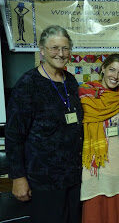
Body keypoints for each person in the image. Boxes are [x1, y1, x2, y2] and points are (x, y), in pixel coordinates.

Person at [5, 25, 83, 223]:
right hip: (44, 180)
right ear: (42, 50)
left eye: (65, 48)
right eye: (54, 48)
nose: (61, 53)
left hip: (73, 178)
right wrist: (18, 178)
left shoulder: (71, 81)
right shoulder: (28, 84)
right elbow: (14, 135)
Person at [79, 54, 119, 223]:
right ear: (103, 69)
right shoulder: (84, 94)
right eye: (112, 70)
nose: (115, 76)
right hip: (94, 167)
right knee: (95, 213)